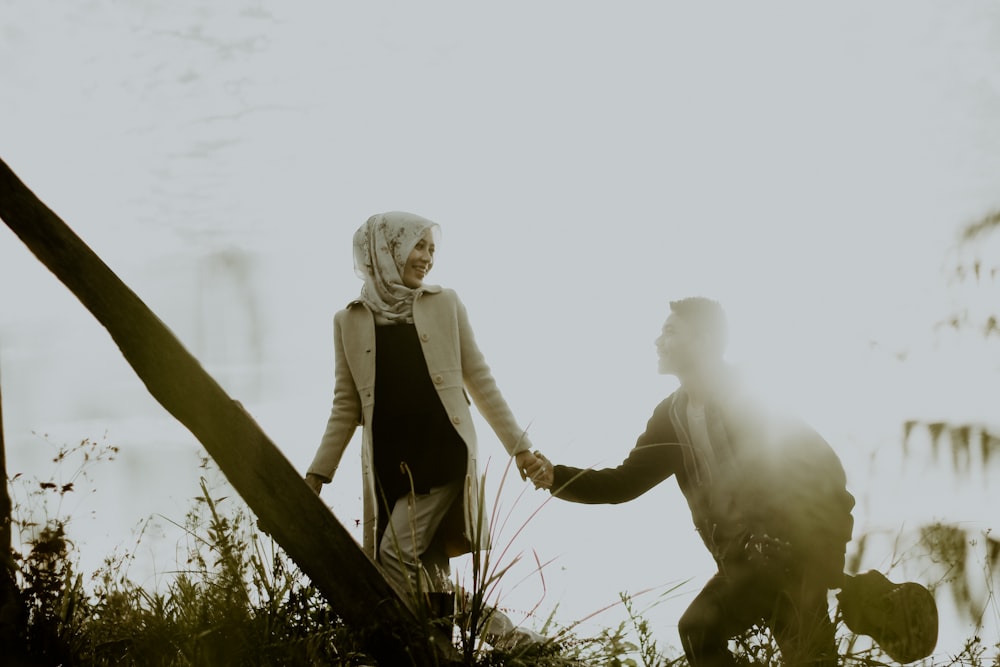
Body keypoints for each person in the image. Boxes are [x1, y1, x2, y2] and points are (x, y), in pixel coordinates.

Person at [525, 297, 855, 667]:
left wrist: (827, 555)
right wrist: (557, 477)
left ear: (705, 340)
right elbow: (624, 482)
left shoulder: (751, 395)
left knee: (795, 653)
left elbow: (824, 470)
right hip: (742, 565)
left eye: (670, 331)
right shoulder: (672, 414)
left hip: (792, 559)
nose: (657, 341)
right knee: (702, 633)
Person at [304, 211, 541, 644]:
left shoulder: (444, 303)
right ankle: (459, 650)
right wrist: (318, 472)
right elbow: (346, 405)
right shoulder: (349, 320)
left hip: (439, 453)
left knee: (393, 558)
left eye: (431, 248)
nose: (427, 258)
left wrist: (521, 448)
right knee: (425, 574)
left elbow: (480, 379)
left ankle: (494, 640)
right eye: (419, 246)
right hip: (389, 462)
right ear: (385, 250)